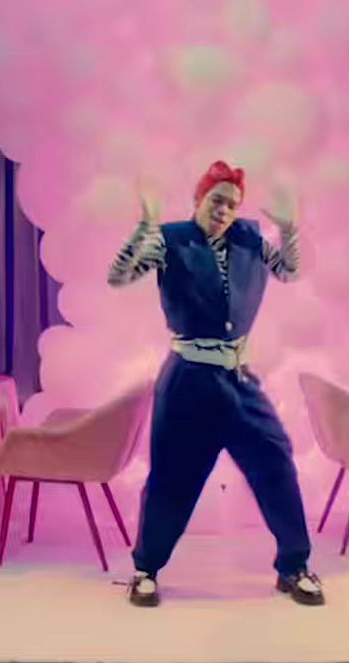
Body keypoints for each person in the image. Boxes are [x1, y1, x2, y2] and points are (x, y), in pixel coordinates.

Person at [106, 160, 323, 608]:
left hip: (238, 380)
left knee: (276, 462)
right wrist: (144, 224)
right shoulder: (169, 240)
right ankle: (145, 570)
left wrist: (289, 229)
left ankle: (294, 567)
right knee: (170, 479)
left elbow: (289, 271)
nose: (223, 210)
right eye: (215, 201)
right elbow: (118, 277)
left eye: (231, 203)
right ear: (198, 200)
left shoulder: (250, 239)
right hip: (186, 381)